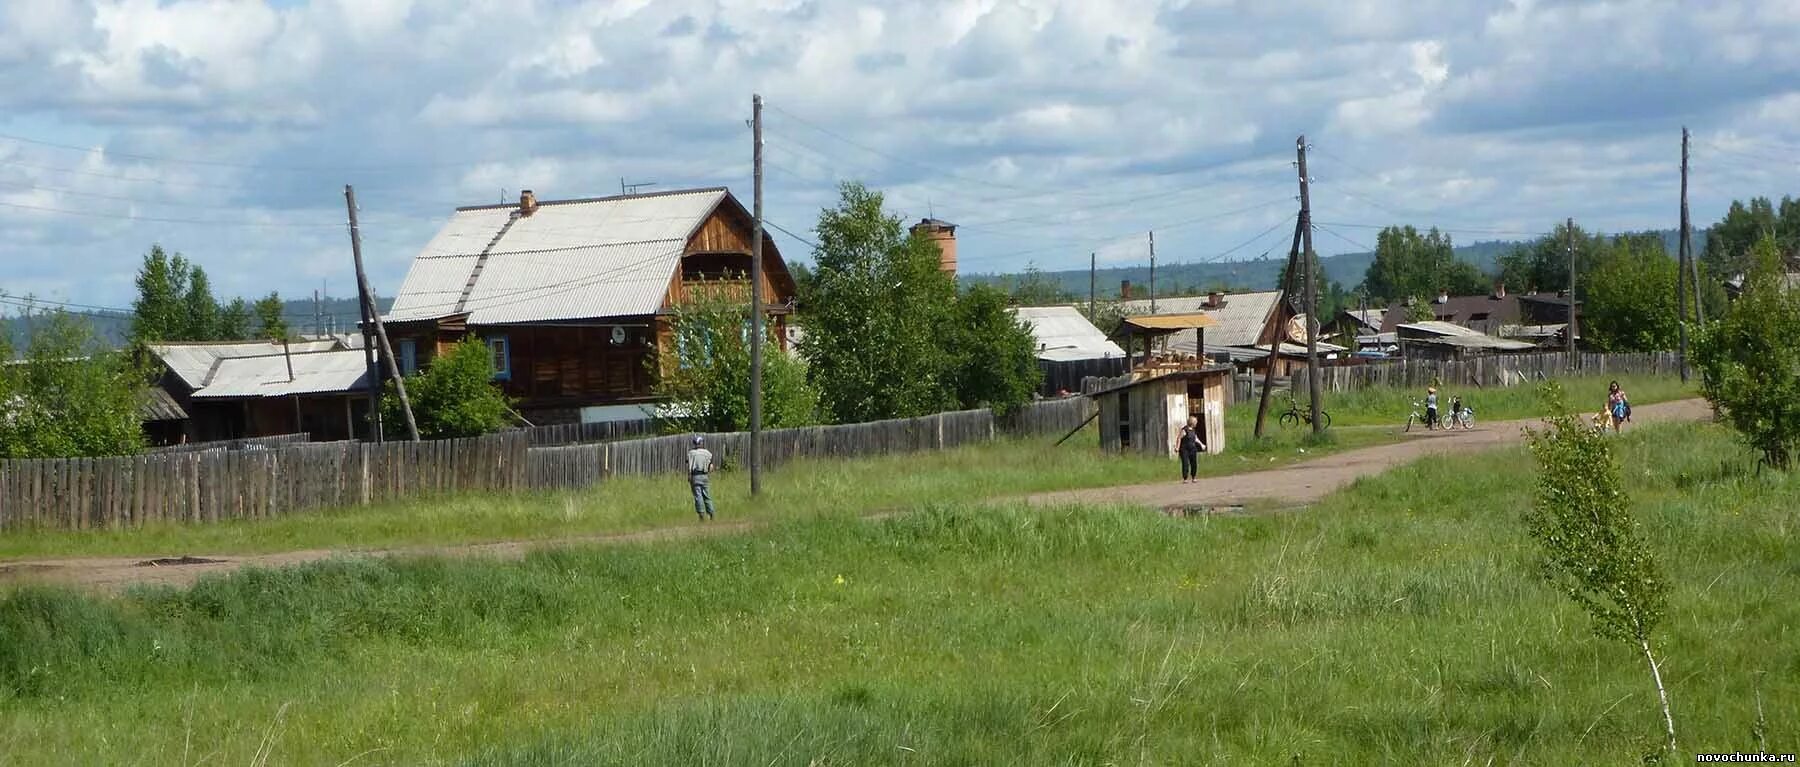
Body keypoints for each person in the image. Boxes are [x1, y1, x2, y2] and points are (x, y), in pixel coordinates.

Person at [687, 435, 716, 521]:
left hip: (695, 476)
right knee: (707, 495)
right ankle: (711, 513)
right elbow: (711, 466)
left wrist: (689, 476)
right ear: (701, 443)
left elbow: (689, 466)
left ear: (695, 443)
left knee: (698, 496)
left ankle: (701, 515)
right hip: (704, 476)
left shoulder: (691, 453)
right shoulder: (707, 453)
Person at [1178, 416, 1206, 483]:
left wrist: (1201, 444)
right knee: (1185, 464)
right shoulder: (1184, 430)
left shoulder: (1193, 430)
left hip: (1193, 449)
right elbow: (1179, 438)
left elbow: (1196, 438)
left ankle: (1193, 477)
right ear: (1192, 422)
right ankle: (1185, 478)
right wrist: (1177, 447)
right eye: (1195, 422)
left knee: (1194, 464)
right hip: (1184, 450)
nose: (1196, 423)